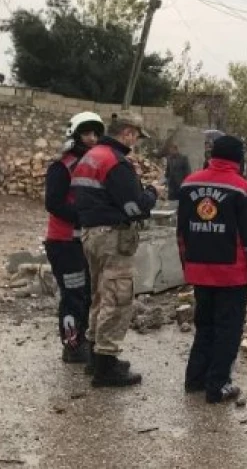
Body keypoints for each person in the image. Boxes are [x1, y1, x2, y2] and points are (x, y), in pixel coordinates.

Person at [177, 135, 247, 404]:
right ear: (238, 159)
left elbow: (181, 232)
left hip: (199, 271)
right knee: (228, 330)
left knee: (204, 325)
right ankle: (218, 385)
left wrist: (187, 267)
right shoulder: (242, 189)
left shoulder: (189, 184)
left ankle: (195, 379)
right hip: (231, 274)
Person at [71, 111, 158, 387]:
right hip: (113, 236)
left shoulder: (91, 156)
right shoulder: (116, 163)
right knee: (118, 297)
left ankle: (96, 356)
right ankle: (106, 364)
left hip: (91, 234)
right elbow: (135, 207)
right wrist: (153, 192)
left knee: (100, 294)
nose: (136, 143)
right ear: (128, 133)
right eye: (136, 137)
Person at [44, 111, 105, 364]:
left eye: (95, 134)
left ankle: (82, 339)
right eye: (87, 133)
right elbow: (54, 203)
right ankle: (71, 345)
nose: (91, 138)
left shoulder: (94, 165)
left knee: (88, 294)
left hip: (85, 242)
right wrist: (85, 217)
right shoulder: (62, 166)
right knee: (73, 295)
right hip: (64, 242)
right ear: (75, 134)